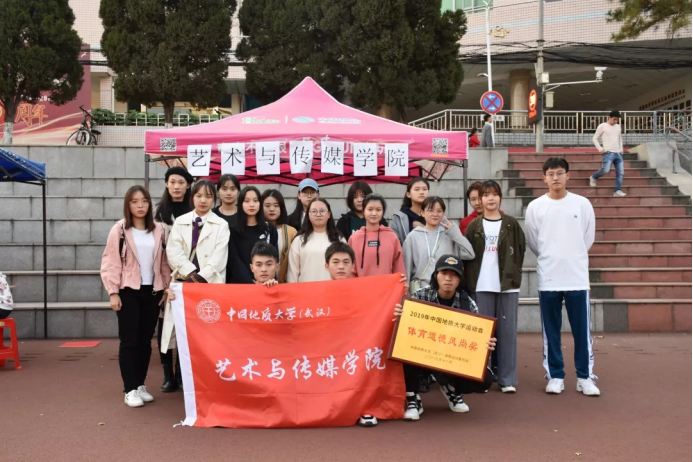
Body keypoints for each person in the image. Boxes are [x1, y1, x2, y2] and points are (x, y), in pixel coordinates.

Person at [525, 158, 601, 397]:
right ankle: (555, 375)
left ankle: (585, 376)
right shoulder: (535, 207)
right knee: (551, 331)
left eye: (560, 173)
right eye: (551, 173)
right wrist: (551, 257)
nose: (555, 177)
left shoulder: (582, 204)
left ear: (568, 176)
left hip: (577, 276)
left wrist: (573, 256)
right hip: (549, 276)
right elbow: (534, 242)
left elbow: (587, 238)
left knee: (582, 331)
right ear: (544, 178)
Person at [395, 255, 496, 421]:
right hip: (422, 354)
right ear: (436, 275)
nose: (448, 278)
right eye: (444, 273)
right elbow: (405, 331)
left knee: (484, 378)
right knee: (402, 349)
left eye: (454, 274)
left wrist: (485, 344)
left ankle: (451, 388)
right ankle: (412, 398)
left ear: (460, 279)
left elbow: (475, 342)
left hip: (449, 357)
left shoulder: (468, 304)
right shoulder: (419, 297)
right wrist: (400, 317)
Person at [100, 186, 172, 408]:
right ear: (127, 205)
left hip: (153, 292)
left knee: (145, 341)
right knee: (129, 340)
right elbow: (111, 262)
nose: (140, 205)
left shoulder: (160, 230)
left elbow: (165, 262)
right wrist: (113, 292)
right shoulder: (120, 230)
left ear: (150, 204)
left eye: (144, 201)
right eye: (134, 201)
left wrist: (166, 287)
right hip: (128, 291)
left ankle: (140, 384)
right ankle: (129, 389)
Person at [324, 242, 408, 428]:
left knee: (367, 363)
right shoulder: (315, 291)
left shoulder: (367, 290)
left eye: (346, 262)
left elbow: (383, 312)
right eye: (336, 262)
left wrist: (396, 290)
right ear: (326, 266)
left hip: (358, 345)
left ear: (353, 266)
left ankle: (367, 408)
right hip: (330, 347)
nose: (341, 267)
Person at [464, 180, 526, 394]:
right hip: (481, 285)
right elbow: (468, 254)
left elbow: (520, 249)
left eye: (494, 194)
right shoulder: (474, 225)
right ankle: (483, 377)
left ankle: (507, 379)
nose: (490, 198)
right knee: (482, 333)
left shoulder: (511, 224)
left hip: (507, 286)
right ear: (480, 200)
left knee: (507, 333)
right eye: (486, 195)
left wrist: (513, 272)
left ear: (500, 197)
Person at [153, 167, 194, 393]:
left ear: (188, 185)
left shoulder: (194, 210)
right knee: (165, 328)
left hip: (190, 277)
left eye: (181, 182)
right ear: (166, 184)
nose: (176, 186)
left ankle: (181, 373)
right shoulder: (159, 213)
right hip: (165, 278)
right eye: (172, 182)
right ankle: (168, 375)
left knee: (186, 328)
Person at [403, 196, 475, 294]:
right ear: (422, 212)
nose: (435, 214)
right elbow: (406, 266)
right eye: (430, 210)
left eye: (439, 211)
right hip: (421, 290)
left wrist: (454, 232)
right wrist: (405, 292)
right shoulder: (413, 236)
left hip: (446, 291)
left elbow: (470, 254)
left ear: (443, 213)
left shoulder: (449, 235)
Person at [167, 179, 230, 284]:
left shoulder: (222, 225)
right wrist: (191, 273)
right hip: (184, 280)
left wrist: (201, 277)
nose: (203, 200)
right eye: (199, 196)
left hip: (210, 282)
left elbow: (219, 257)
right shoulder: (180, 221)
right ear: (192, 197)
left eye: (208, 196)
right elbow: (173, 251)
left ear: (214, 199)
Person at [226, 186, 279, 284]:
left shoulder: (269, 229)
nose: (251, 205)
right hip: (240, 284)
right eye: (247, 201)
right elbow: (234, 260)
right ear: (241, 204)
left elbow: (273, 257)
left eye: (255, 201)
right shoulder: (232, 230)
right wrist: (250, 282)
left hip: (265, 283)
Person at [287, 198, 345, 283]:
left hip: (332, 288)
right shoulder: (299, 240)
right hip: (306, 288)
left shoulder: (338, 239)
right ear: (308, 215)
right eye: (314, 211)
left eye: (322, 211)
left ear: (329, 214)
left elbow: (346, 268)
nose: (318, 214)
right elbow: (292, 272)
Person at [348, 194, 405, 278]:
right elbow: (350, 268)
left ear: (383, 212)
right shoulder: (354, 238)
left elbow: (398, 266)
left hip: (387, 285)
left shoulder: (391, 237)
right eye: (370, 209)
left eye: (378, 210)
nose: (374, 213)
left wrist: (401, 281)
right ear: (363, 211)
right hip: (360, 285)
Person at [261, 189, 297, 283]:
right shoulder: (256, 230)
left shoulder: (291, 232)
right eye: (267, 206)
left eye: (276, 205)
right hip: (260, 284)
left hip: (285, 283)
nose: (272, 209)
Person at [591, 110, 627, 197]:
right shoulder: (602, 126)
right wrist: (600, 148)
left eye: (617, 119)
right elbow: (594, 138)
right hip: (608, 152)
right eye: (614, 119)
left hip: (618, 153)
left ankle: (617, 190)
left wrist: (621, 149)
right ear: (609, 117)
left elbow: (620, 138)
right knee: (605, 170)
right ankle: (594, 177)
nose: (615, 121)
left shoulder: (618, 127)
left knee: (621, 173)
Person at [392, 177, 430, 244]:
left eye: (424, 189)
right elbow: (395, 242)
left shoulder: (435, 215)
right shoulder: (399, 217)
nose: (421, 192)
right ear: (408, 194)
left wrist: (422, 228)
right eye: (417, 189)